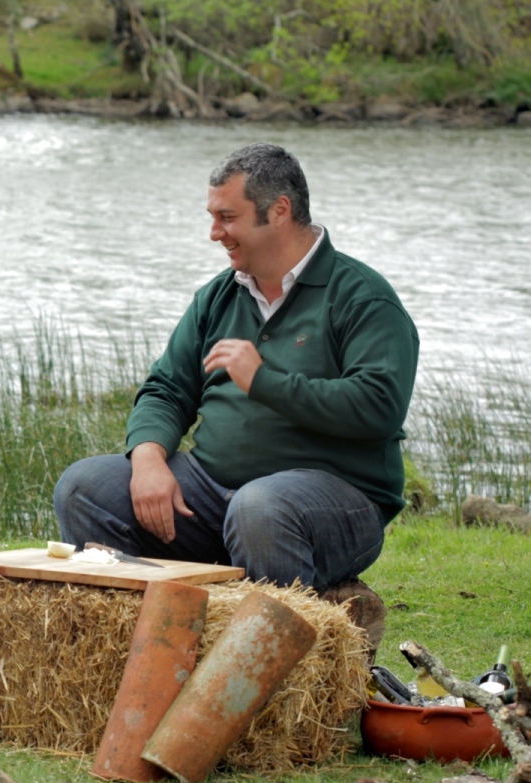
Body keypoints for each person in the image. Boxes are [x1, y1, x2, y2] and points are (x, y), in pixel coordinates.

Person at [54, 143, 419, 651]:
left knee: (260, 507)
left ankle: (266, 686)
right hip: (211, 497)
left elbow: (379, 406)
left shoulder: (361, 297)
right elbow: (167, 388)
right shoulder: (218, 296)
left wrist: (264, 380)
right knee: (85, 486)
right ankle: (137, 654)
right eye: (212, 217)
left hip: (335, 503)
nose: (214, 233)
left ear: (280, 211)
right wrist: (149, 457)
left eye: (228, 217)